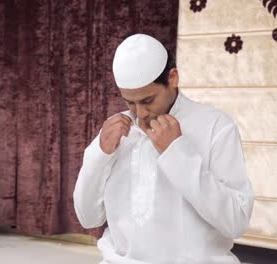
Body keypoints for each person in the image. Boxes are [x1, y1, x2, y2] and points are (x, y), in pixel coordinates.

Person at [73, 33, 254, 264]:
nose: (139, 114)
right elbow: (88, 218)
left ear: (173, 77)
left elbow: (236, 221)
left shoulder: (216, 126)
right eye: (129, 102)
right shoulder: (117, 129)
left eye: (148, 101)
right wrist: (99, 155)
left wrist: (177, 152)